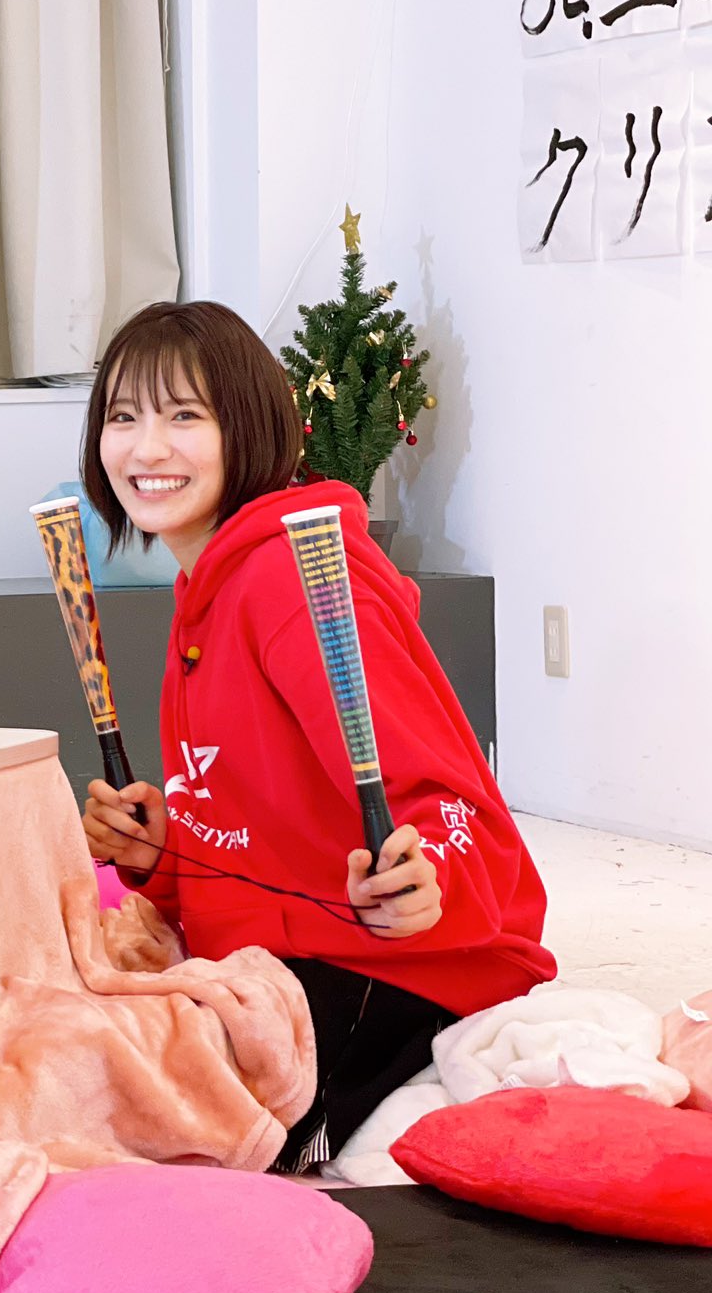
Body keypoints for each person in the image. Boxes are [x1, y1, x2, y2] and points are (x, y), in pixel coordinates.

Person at [74, 300, 553, 1170]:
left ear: (249, 427)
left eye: (185, 417)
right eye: (123, 417)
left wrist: (427, 882)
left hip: (397, 975)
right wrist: (160, 856)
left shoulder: (291, 585)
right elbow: (254, 836)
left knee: (107, 1119)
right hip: (276, 956)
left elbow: (460, 816)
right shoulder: (207, 586)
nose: (147, 449)